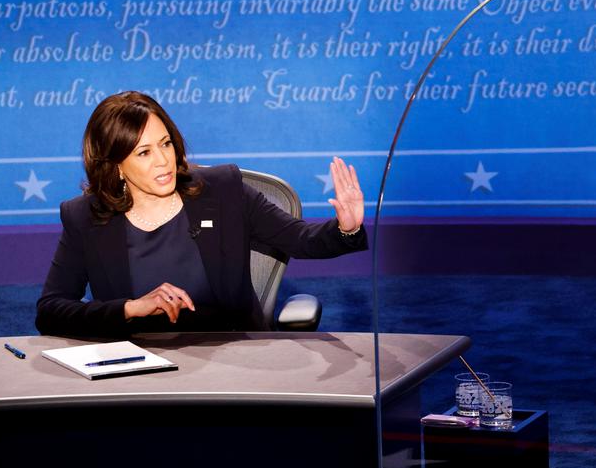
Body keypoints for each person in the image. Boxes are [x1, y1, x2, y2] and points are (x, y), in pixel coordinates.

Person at [36, 90, 366, 338]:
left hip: (232, 361)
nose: (163, 160)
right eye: (144, 152)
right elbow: (51, 311)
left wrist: (345, 229)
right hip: (137, 372)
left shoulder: (223, 192)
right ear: (116, 166)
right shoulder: (86, 217)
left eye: (165, 144)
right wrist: (129, 308)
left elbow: (301, 239)